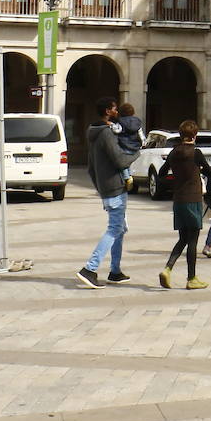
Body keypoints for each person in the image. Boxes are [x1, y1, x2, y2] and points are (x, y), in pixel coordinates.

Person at [77, 97, 136, 289]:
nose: (117, 111)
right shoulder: (107, 134)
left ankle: (115, 271)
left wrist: (99, 187)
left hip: (106, 187)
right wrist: (137, 153)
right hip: (115, 188)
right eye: (115, 108)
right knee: (114, 229)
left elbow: (90, 167)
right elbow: (120, 161)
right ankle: (90, 268)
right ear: (109, 111)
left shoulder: (92, 132)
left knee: (120, 228)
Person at [159, 121, 209, 290]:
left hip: (178, 199)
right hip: (193, 199)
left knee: (183, 238)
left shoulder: (174, 152)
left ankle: (168, 268)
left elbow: (162, 173)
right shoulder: (196, 153)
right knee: (193, 240)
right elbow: (210, 172)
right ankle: (191, 278)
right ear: (195, 135)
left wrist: (175, 180)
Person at [115, 102, 144, 188]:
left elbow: (117, 130)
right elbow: (141, 134)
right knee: (130, 163)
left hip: (124, 145)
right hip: (135, 146)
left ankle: (127, 177)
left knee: (123, 164)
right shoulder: (137, 121)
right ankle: (130, 176)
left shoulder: (120, 121)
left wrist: (111, 127)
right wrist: (143, 143)